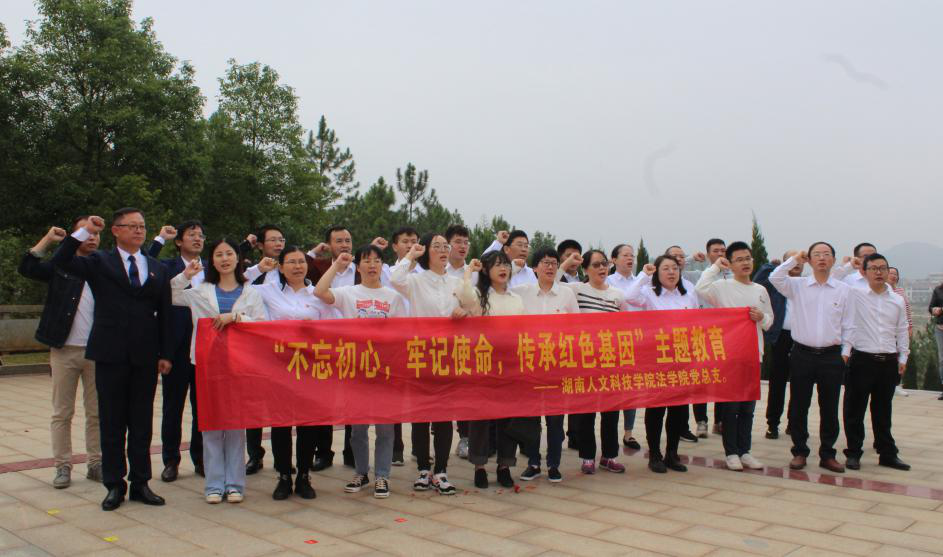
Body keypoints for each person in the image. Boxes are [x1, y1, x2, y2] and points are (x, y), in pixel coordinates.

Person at [51, 209, 173, 511]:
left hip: (145, 355)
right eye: (132, 226)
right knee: (112, 422)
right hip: (109, 353)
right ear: (116, 230)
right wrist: (85, 230)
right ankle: (114, 484)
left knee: (141, 422)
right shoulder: (99, 261)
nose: (139, 231)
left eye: (142, 226)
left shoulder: (156, 267)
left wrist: (166, 353)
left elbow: (166, 313)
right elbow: (62, 260)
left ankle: (141, 482)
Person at [171, 239, 266, 503]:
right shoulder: (200, 290)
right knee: (211, 423)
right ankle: (213, 484)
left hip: (238, 364)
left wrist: (236, 317)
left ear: (238, 259)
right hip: (207, 363)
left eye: (229, 254)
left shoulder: (251, 292)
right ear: (211, 260)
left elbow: (261, 324)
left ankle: (235, 484)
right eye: (219, 254)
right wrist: (185, 275)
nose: (224, 259)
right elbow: (172, 294)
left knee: (235, 424)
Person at [315, 245, 408, 498]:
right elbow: (319, 291)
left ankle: (382, 475)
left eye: (377, 261)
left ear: (382, 266)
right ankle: (361, 472)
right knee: (357, 429)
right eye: (366, 261)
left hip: (384, 372)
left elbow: (401, 334)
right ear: (358, 267)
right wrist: (337, 265)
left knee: (385, 429)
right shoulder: (348, 293)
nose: (372, 265)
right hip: (355, 371)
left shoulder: (393, 298)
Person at [18, 220, 102, 489]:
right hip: (64, 349)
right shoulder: (61, 265)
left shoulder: (103, 266)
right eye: (86, 232)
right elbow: (28, 267)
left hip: (97, 351)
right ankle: (62, 465)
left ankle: (96, 463)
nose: (92, 237)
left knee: (97, 412)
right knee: (62, 412)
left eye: (96, 233)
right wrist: (48, 239)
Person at [391, 233, 464, 495]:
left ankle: (441, 470)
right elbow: (394, 278)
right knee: (421, 415)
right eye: (437, 246)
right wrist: (411, 254)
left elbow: (475, 305)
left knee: (444, 415)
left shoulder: (457, 282)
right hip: (421, 354)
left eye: (446, 246)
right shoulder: (415, 280)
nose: (444, 250)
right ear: (426, 252)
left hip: (448, 355)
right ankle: (423, 469)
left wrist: (466, 311)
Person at [769, 243, 852, 473]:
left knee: (829, 407)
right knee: (799, 404)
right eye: (817, 254)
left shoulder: (843, 290)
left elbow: (849, 324)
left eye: (826, 254)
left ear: (833, 260)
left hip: (831, 355)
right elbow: (775, 278)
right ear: (810, 260)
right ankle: (799, 451)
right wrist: (795, 259)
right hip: (802, 354)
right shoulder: (798, 285)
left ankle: (828, 454)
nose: (822, 258)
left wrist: (845, 353)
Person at [256, 245, 328, 500]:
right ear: (280, 266)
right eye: (291, 262)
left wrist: (315, 330)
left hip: (310, 368)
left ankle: (304, 475)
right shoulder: (268, 291)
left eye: (301, 262)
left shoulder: (318, 295)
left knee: (308, 424)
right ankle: (284, 475)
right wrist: (257, 269)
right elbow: (237, 286)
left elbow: (335, 326)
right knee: (281, 423)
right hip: (279, 367)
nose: (298, 266)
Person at [695, 241, 773, 471]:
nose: (745, 263)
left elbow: (770, 320)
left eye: (747, 258)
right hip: (730, 355)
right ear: (730, 263)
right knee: (731, 408)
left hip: (754, 354)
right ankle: (731, 452)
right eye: (739, 259)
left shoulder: (760, 290)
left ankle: (745, 451)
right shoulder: (722, 287)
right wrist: (716, 266)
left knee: (748, 407)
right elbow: (700, 287)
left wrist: (761, 318)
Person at [456, 251, 530, 489]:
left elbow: (523, 331)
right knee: (480, 418)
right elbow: (463, 295)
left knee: (507, 418)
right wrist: (469, 271)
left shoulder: (516, 299)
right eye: (497, 265)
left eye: (505, 264)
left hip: (509, 365)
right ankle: (479, 466)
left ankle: (504, 465)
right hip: (483, 363)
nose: (503, 268)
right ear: (486, 271)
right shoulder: (479, 295)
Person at [625, 255, 700, 473]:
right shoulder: (649, 293)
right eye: (665, 268)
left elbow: (697, 321)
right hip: (657, 359)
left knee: (679, 410)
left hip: (683, 359)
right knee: (656, 409)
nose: (671, 272)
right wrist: (643, 275)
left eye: (675, 268)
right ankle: (655, 454)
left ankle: (672, 454)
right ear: (657, 273)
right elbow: (628, 296)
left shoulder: (689, 293)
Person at [559, 249, 630, 474]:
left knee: (611, 412)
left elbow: (625, 326)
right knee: (586, 412)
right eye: (596, 264)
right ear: (585, 269)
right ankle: (587, 456)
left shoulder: (618, 295)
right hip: (585, 360)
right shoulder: (576, 290)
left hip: (610, 360)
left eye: (604, 264)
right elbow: (554, 285)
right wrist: (566, 263)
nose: (602, 268)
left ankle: (609, 456)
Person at [512, 247, 580, 482]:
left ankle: (553, 464)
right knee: (531, 417)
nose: (550, 267)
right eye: (545, 263)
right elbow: (496, 288)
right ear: (535, 268)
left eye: (553, 263)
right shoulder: (522, 292)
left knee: (555, 418)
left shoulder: (566, 294)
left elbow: (576, 328)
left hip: (557, 364)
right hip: (530, 363)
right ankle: (533, 462)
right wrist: (514, 268)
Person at [147, 221, 206, 483]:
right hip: (176, 349)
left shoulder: (212, 268)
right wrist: (159, 239)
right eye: (191, 235)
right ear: (179, 241)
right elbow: (144, 262)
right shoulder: (167, 267)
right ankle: (171, 460)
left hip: (205, 347)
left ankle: (201, 458)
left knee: (202, 408)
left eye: (201, 235)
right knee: (173, 407)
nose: (197, 239)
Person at [841, 253, 911, 471]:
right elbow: (833, 280)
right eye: (873, 268)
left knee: (883, 410)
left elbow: (902, 329)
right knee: (854, 409)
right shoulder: (855, 294)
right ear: (864, 272)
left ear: (888, 271)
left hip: (888, 361)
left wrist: (903, 356)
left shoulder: (897, 300)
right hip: (862, 359)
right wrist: (848, 265)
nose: (879, 272)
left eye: (883, 268)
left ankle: (887, 453)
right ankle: (853, 453)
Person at [240, 224, 286, 474]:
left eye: (281, 239)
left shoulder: (288, 269)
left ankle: (284, 457)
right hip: (255, 344)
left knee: (282, 403)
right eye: (273, 240)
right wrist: (258, 266)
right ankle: (254, 455)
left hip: (283, 345)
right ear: (260, 244)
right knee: (254, 403)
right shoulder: (251, 271)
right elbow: (233, 280)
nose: (278, 244)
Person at [754, 251, 804, 439]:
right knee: (777, 383)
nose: (797, 263)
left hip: (802, 338)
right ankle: (772, 424)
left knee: (800, 384)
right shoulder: (777, 284)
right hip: (781, 338)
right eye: (793, 260)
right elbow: (759, 279)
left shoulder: (806, 284)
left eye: (800, 260)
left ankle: (794, 423)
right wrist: (771, 266)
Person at [606, 243, 641, 450]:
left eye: (632, 255)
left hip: (635, 341)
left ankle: (628, 433)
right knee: (612, 388)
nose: (630, 258)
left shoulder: (640, 281)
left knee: (630, 387)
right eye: (625, 255)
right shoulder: (608, 281)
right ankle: (609, 432)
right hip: (612, 342)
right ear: (614, 259)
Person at [445, 224, 474, 459]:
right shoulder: (437, 270)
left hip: (467, 340)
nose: (462, 246)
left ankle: (465, 437)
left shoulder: (475, 272)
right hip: (439, 340)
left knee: (465, 390)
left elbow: (481, 300)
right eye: (457, 241)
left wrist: (467, 310)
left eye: (466, 242)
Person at [887, 267, 913, 397]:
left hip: (900, 330)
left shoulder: (901, 291)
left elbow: (907, 310)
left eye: (895, 274)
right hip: (887, 331)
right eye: (891, 273)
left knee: (900, 357)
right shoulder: (883, 291)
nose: (893, 276)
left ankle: (896, 384)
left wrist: (910, 327)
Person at [930, 281, 943, 400]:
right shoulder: (938, 290)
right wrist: (935, 310)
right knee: (942, 360)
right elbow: (931, 307)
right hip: (941, 329)